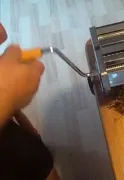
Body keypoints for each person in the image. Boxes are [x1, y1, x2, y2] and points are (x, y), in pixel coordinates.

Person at [0, 24, 60, 180]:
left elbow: (1, 34)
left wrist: (26, 125)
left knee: (42, 164)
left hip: (16, 144)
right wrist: (6, 94)